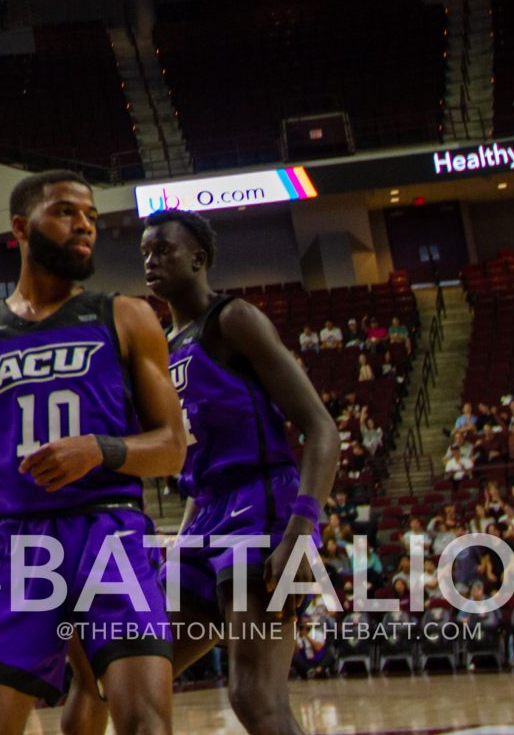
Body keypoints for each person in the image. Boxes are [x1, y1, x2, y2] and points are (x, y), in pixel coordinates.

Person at [0, 171, 185, 735]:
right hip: (18, 542)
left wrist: (100, 450)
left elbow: (172, 448)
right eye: (65, 212)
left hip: (110, 537)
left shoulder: (124, 315)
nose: (84, 225)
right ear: (21, 228)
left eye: (92, 217)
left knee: (146, 724)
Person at [140, 209, 340, 734]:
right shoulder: (163, 347)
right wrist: (182, 541)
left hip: (261, 507)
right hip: (205, 512)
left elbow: (322, 428)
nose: (150, 260)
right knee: (136, 672)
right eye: (145, 252)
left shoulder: (233, 320)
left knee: (255, 697)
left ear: (199, 259)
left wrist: (301, 535)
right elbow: (198, 461)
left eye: (162, 249)